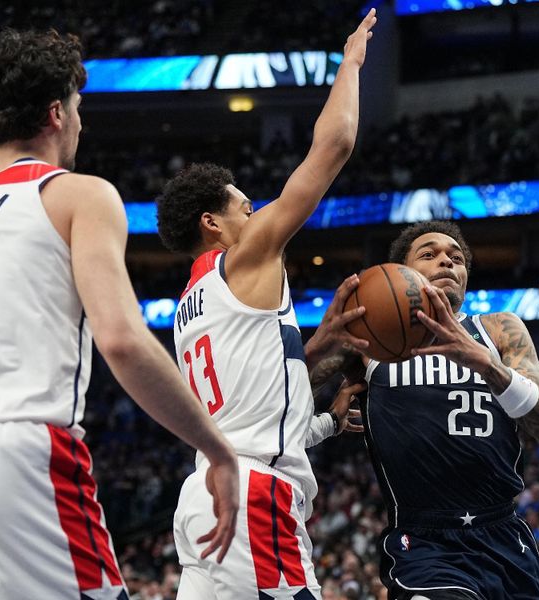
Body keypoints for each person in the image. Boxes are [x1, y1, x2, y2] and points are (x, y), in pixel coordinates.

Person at [0, 28, 239, 599]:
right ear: (56, 113)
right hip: (24, 453)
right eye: (80, 108)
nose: (82, 123)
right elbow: (123, 341)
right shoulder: (78, 195)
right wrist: (217, 448)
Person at [155, 10, 377, 599]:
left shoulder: (187, 307)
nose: (256, 214)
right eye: (243, 208)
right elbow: (335, 144)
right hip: (253, 497)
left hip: (207, 493)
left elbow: (254, 398)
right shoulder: (245, 256)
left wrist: (322, 350)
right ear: (213, 223)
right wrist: (350, 63)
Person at [312, 220, 539, 599]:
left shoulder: (498, 329)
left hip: (504, 534)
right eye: (429, 254)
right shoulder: (368, 338)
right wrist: (320, 344)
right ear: (400, 273)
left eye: (457, 257)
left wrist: (487, 365)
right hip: (423, 541)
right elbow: (275, 393)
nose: (448, 262)